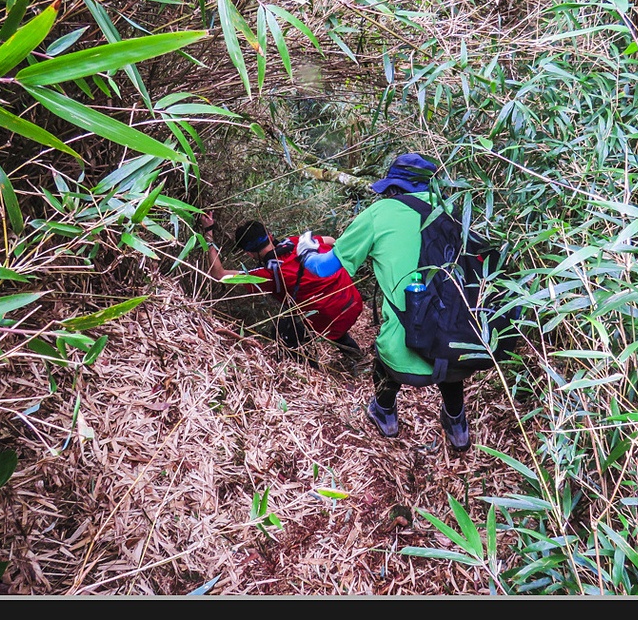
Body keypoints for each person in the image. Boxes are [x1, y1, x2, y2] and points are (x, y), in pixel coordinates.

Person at [295, 153, 475, 451]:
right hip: (461, 341)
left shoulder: (379, 214)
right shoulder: (457, 211)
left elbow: (325, 268)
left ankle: (385, 411)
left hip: (405, 350)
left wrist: (306, 252)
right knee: (447, 352)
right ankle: (457, 424)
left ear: (394, 187)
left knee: (386, 352)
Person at [200, 212, 363, 362]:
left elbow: (219, 274)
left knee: (282, 331)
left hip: (331, 318)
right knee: (323, 308)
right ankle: (355, 356)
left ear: (248, 253)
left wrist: (208, 234)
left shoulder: (269, 275)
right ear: (269, 236)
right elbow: (332, 241)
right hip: (353, 301)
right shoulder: (296, 242)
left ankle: (312, 373)